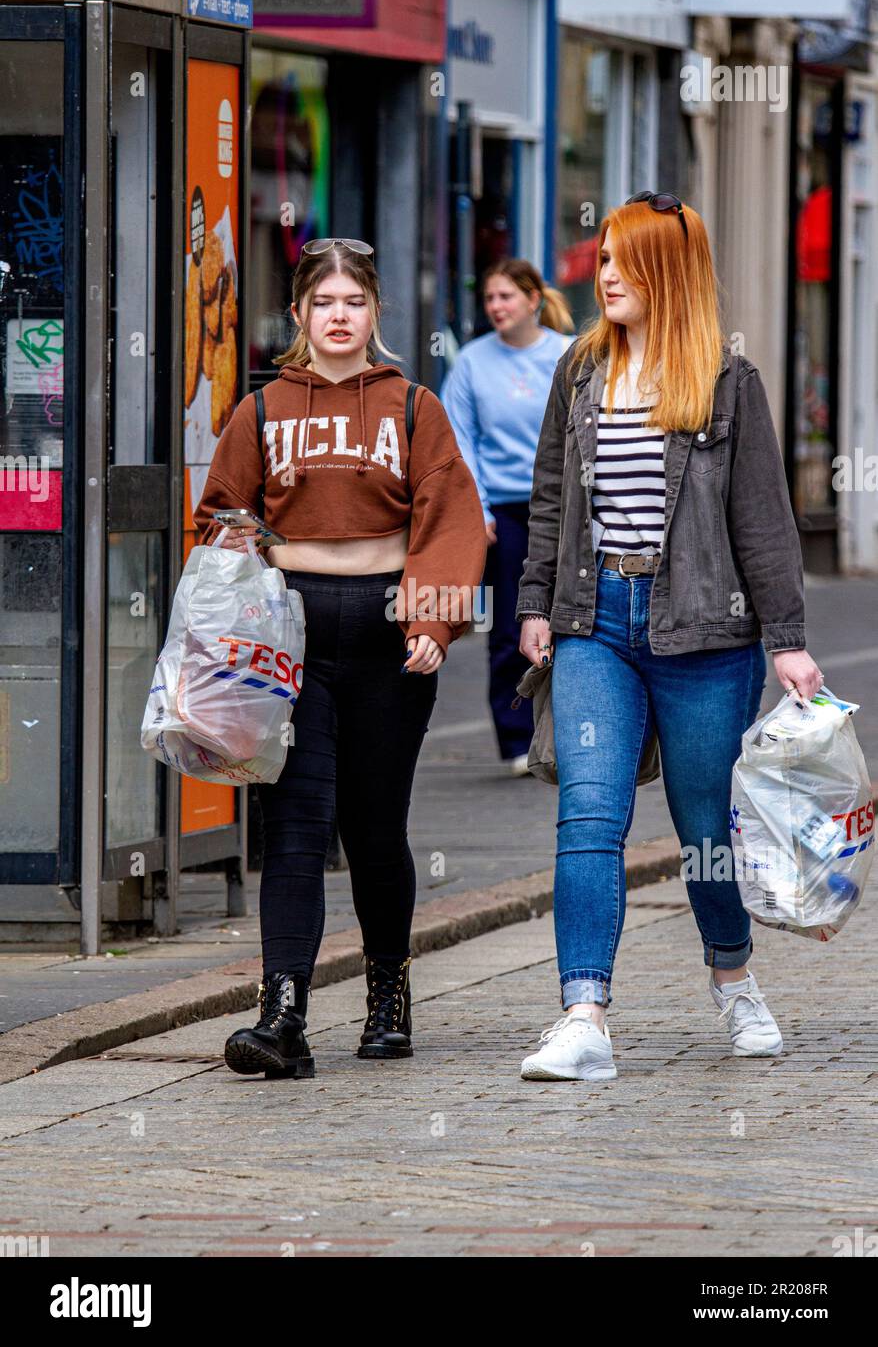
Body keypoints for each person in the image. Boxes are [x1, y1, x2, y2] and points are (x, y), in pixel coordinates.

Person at [514, 193, 823, 1082]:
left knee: (702, 828)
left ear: (668, 273)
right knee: (589, 814)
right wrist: (536, 604)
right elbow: (549, 502)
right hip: (595, 626)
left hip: (705, 633)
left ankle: (733, 980)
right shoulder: (579, 371)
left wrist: (787, 639)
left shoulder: (728, 381)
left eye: (624, 260)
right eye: (602, 256)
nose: (605, 273)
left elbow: (763, 521)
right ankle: (584, 1017)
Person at [192, 238, 487, 1078]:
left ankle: (387, 996)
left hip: (391, 627)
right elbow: (220, 516)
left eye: (353, 303)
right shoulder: (261, 409)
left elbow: (451, 514)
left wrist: (434, 617)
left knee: (373, 826)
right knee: (293, 825)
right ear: (299, 317)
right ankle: (281, 1016)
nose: (338, 317)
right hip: (291, 634)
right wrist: (236, 584)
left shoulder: (411, 405)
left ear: (375, 315)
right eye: (323, 304)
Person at [441, 260, 575, 774]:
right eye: (490, 298)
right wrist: (476, 509)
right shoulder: (472, 363)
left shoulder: (567, 354)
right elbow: (459, 439)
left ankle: (574, 732)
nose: (496, 306)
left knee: (574, 622)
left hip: (567, 505)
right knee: (509, 627)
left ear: (533, 300)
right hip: (506, 509)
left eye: (506, 297)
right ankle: (518, 739)